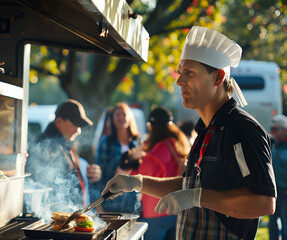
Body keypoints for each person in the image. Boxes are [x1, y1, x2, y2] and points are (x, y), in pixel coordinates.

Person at [101, 26, 277, 239]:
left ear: (218, 78)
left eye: (189, 73)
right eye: (180, 73)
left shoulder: (240, 129)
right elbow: (188, 186)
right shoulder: (205, 130)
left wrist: (198, 197)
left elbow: (263, 202)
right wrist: (137, 183)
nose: (179, 81)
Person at [123, 107, 190, 240]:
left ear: (151, 127)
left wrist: (129, 167)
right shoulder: (178, 144)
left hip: (156, 211)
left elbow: (141, 178)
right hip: (177, 209)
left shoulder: (158, 150)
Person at [26, 99, 102, 211]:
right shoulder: (44, 146)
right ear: (59, 121)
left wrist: (92, 176)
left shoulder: (68, 144)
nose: (79, 131)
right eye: (74, 125)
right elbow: (40, 185)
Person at [92, 102, 141, 213]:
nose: (121, 117)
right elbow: (98, 176)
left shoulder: (135, 144)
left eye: (124, 114)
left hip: (132, 204)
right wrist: (98, 205)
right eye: (117, 114)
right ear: (112, 120)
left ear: (130, 117)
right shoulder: (105, 143)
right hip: (111, 203)